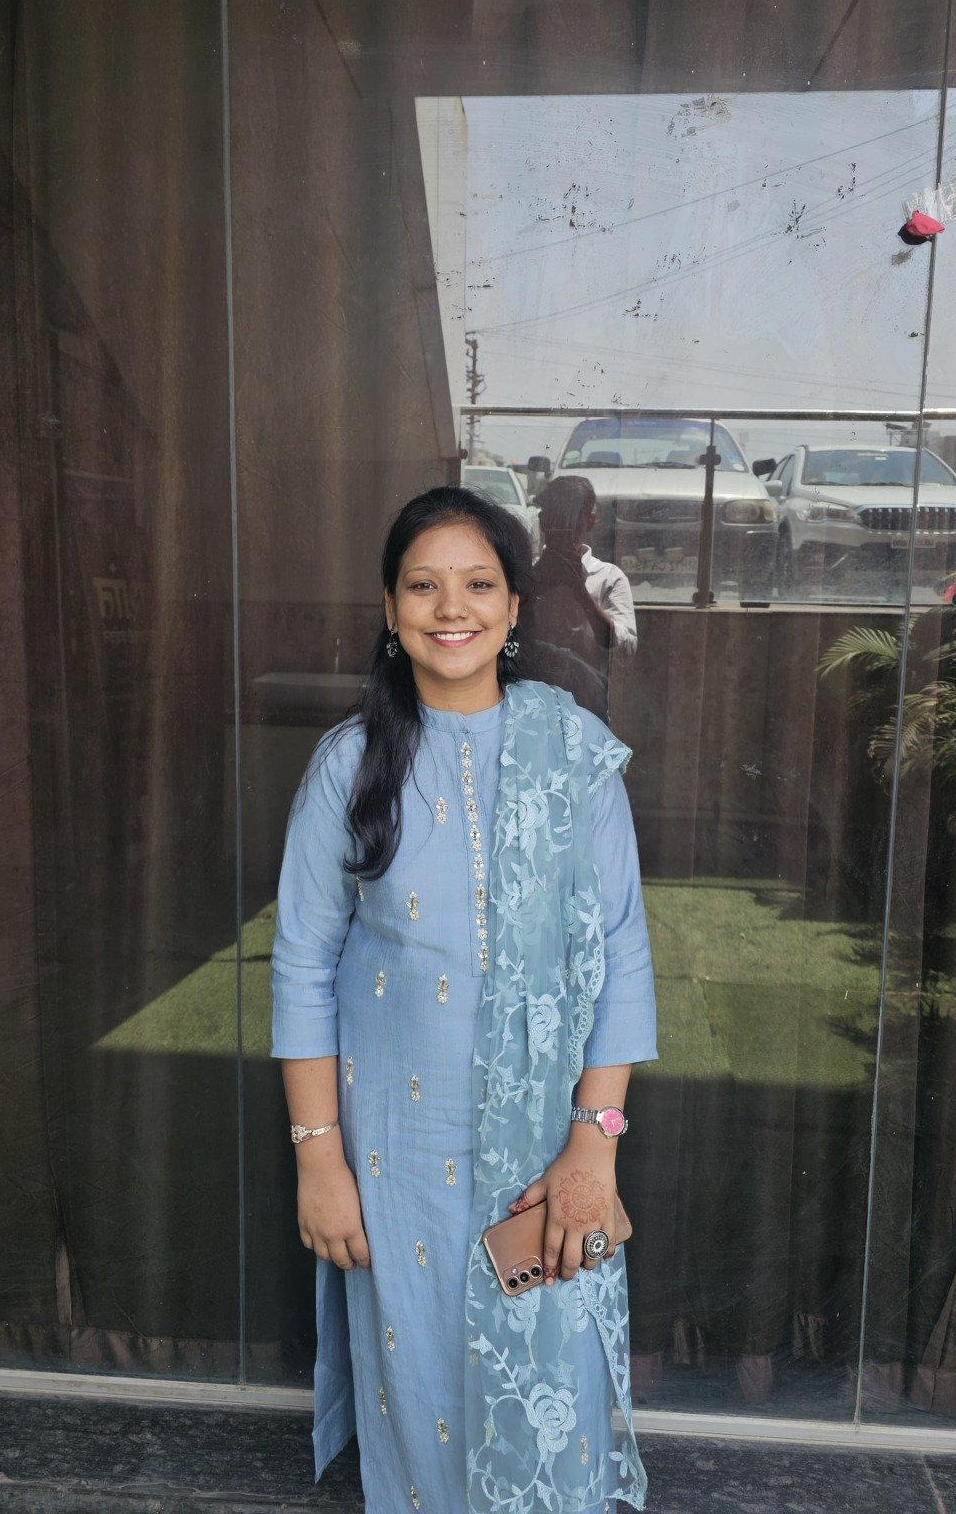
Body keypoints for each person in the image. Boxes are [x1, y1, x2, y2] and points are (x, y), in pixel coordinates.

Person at [270, 485, 657, 1514]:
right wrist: (318, 1160)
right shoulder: (351, 765)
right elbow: (302, 964)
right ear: (390, 609)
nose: (453, 608)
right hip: (399, 1160)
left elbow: (621, 951)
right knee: (427, 1398)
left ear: (515, 605)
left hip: (549, 1151)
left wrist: (594, 1145)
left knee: (551, 1393)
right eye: (423, 586)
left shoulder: (574, 753)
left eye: (479, 584)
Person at [524, 477, 637, 718]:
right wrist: (536, 581)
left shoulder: (608, 578)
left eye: (572, 521)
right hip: (529, 706)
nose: (564, 530)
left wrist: (579, 591)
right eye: (556, 520)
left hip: (586, 707)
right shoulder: (525, 577)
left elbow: (624, 649)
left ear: (590, 521)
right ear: (543, 522)